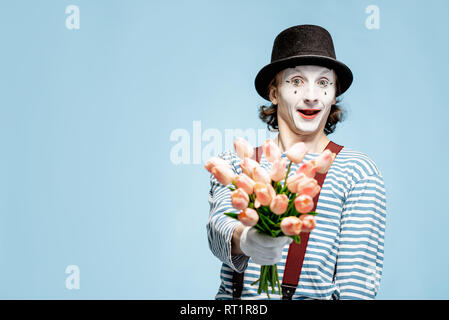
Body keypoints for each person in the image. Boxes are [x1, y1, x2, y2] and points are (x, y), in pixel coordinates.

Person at [207, 25, 387, 300]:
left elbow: (357, 287)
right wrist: (246, 239)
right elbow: (218, 230)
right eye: (296, 81)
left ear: (334, 94)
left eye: (324, 83)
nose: (312, 95)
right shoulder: (237, 161)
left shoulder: (358, 171)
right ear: (274, 93)